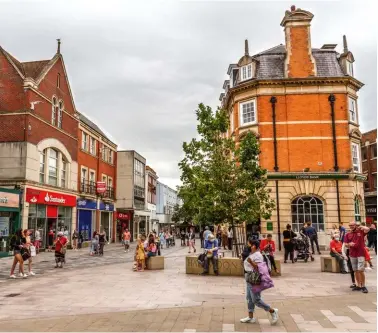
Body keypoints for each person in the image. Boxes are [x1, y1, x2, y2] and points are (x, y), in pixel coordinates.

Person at [240, 239, 279, 325]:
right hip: (249, 277)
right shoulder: (251, 253)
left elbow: (259, 268)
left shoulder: (258, 255)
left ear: (253, 246)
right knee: (249, 299)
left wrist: (251, 261)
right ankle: (250, 317)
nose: (247, 245)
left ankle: (272, 311)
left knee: (256, 300)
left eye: (249, 243)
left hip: (255, 279)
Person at [344, 221, 370, 293]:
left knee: (361, 270)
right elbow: (345, 244)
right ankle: (358, 285)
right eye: (350, 225)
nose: (351, 226)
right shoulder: (348, 234)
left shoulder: (361, 231)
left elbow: (368, 229)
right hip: (352, 254)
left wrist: (361, 226)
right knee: (355, 270)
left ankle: (363, 286)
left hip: (360, 253)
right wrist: (349, 244)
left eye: (352, 225)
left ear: (355, 225)